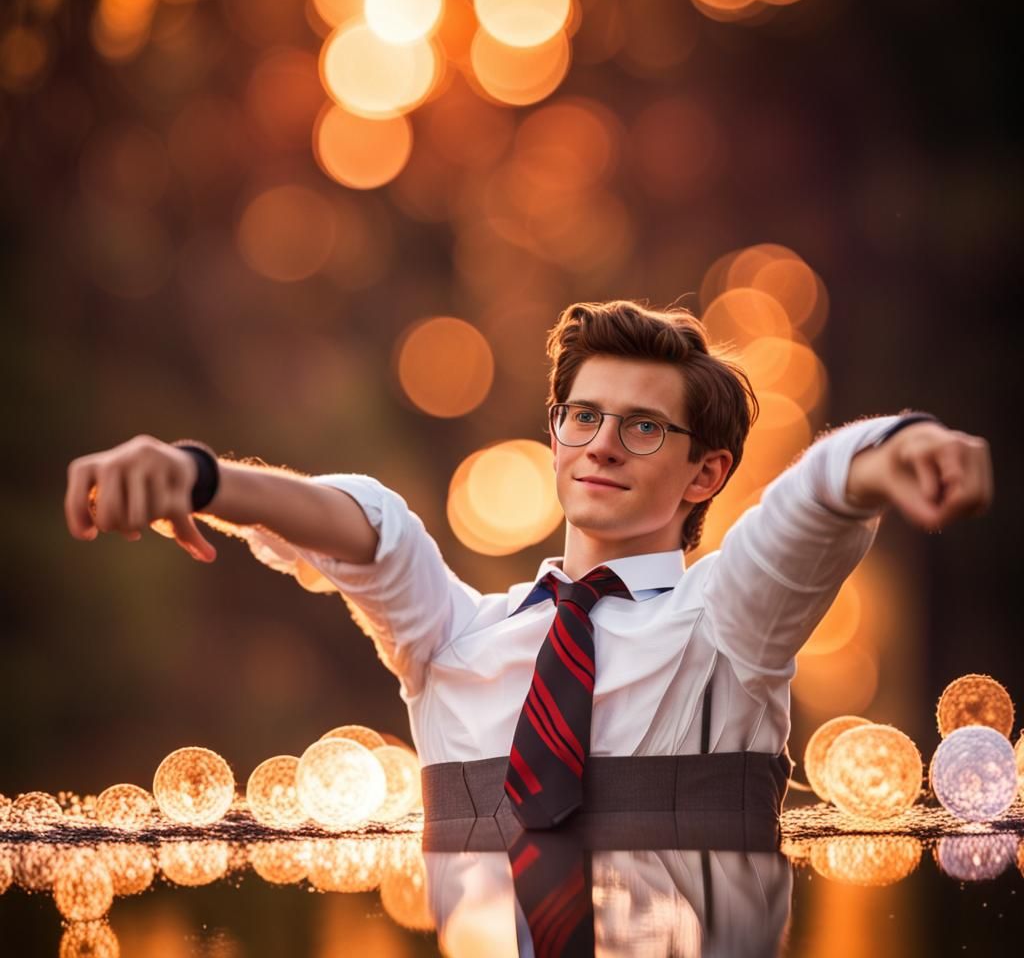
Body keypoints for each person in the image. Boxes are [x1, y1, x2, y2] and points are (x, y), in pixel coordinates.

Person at [63, 300, 993, 829]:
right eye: (582, 417)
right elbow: (365, 531)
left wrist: (895, 448)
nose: (602, 444)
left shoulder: (727, 625)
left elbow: (813, 501)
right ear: (556, 437)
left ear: (706, 473)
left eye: (643, 427)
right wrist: (202, 477)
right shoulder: (454, 640)